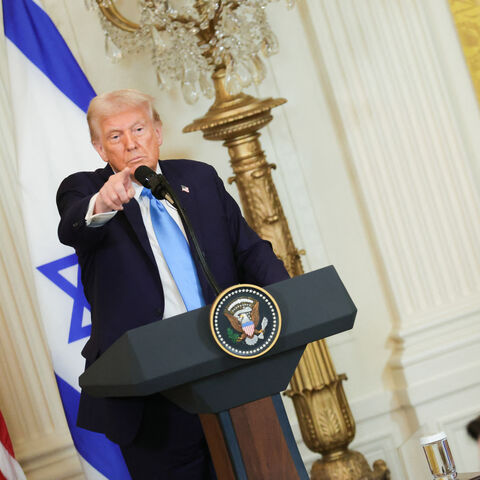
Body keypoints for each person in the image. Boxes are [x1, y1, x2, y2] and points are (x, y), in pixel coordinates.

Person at [56, 89, 289, 479]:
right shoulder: (83, 189)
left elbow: (249, 252)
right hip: (151, 393)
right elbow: (74, 223)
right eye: (115, 137)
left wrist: (289, 302)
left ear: (157, 132)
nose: (131, 144)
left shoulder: (198, 178)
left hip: (230, 361)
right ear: (100, 148)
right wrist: (102, 202)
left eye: (139, 129)